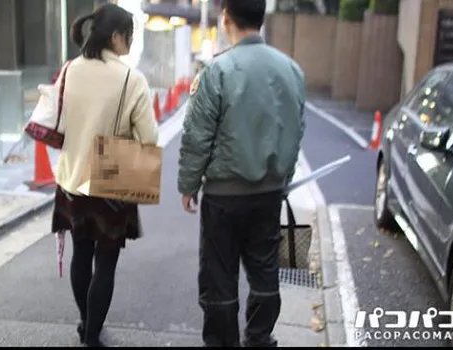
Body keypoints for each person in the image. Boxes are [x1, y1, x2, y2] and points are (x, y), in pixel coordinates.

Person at [177, 0, 306, 347]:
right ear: (261, 19)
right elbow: (296, 132)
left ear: (225, 18)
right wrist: (283, 179)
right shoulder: (291, 70)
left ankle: (223, 342)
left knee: (219, 276)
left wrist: (188, 184)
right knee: (265, 271)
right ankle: (259, 338)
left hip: (223, 196)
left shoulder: (218, 71)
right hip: (268, 193)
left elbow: (197, 134)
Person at [51, 4, 159, 347]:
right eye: (130, 34)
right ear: (116, 36)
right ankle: (93, 335)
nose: (131, 40)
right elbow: (150, 139)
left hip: (71, 179)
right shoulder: (131, 78)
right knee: (106, 262)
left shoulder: (70, 69)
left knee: (81, 254)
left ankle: (85, 322)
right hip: (111, 180)